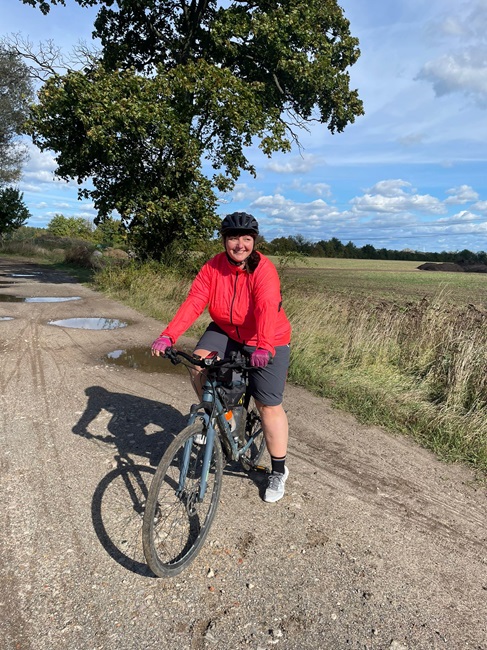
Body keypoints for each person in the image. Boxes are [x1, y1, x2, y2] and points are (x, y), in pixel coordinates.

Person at [151, 211, 292, 503]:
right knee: (198, 363)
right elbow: (194, 302)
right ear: (224, 240)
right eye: (233, 238)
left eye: (246, 239)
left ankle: (278, 470)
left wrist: (264, 346)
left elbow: (266, 306)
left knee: (268, 405)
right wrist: (168, 336)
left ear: (254, 241)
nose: (239, 244)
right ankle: (217, 414)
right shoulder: (213, 267)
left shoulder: (263, 269)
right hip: (226, 330)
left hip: (267, 337)